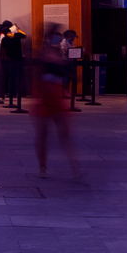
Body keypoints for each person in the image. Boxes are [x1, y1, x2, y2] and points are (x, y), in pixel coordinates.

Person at [30, 23, 80, 177]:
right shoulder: (46, 53)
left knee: (60, 134)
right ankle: (44, 167)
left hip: (53, 95)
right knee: (47, 134)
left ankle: (72, 167)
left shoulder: (52, 52)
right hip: (47, 95)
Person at [0, 23, 26, 106]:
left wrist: (4, 58)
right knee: (19, 76)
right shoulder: (17, 36)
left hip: (9, 60)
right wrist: (17, 29)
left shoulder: (5, 39)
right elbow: (23, 35)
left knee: (11, 77)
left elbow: (3, 50)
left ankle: (11, 93)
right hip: (18, 58)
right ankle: (19, 93)